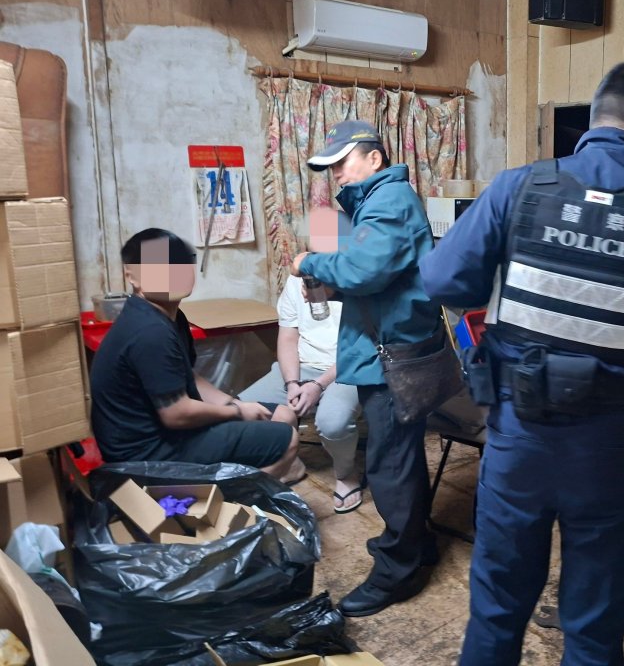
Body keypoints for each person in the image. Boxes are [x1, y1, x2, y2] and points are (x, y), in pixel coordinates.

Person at [419, 58, 624, 666]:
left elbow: (443, 279)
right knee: (595, 628)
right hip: (611, 450)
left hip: (519, 437)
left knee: (496, 611)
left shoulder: (519, 188)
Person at [290, 119, 440, 617]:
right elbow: (381, 278)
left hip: (392, 358)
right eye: (329, 167)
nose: (335, 174)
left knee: (390, 465)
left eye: (342, 162)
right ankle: (417, 544)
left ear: (374, 158)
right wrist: (335, 284)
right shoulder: (375, 202)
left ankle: (398, 571)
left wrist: (309, 262)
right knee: (402, 460)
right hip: (387, 351)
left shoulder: (389, 200)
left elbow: (364, 269)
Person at [90, 229, 301, 483]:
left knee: (284, 416)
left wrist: (231, 404)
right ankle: (233, 496)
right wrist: (236, 412)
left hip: (167, 431)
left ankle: (252, 479)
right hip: (145, 452)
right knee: (287, 439)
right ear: (132, 276)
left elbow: (188, 374)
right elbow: (176, 414)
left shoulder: (171, 316)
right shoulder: (149, 330)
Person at [237, 268, 364, 513]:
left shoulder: (357, 277)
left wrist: (318, 385)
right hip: (303, 365)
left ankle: (346, 473)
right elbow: (288, 337)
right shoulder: (297, 280)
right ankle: (290, 462)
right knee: (242, 409)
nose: (306, 291)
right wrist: (292, 383)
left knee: (332, 423)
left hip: (348, 368)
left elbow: (362, 346)